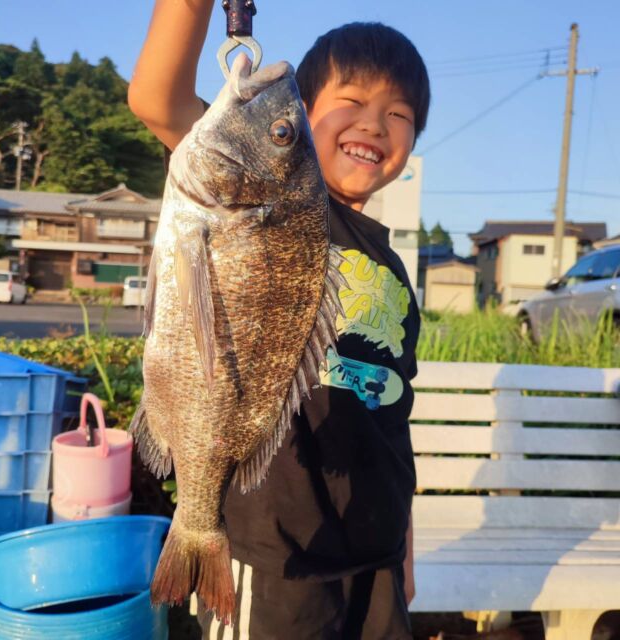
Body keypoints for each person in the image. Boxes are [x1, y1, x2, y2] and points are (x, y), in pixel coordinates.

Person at [129, 2, 430, 638]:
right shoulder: (253, 200)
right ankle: (197, 525)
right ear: (308, 116)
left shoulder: (394, 270)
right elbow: (157, 99)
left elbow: (393, 411)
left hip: (375, 553)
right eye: (351, 101)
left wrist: (403, 545)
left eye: (399, 114)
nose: (374, 124)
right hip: (274, 555)